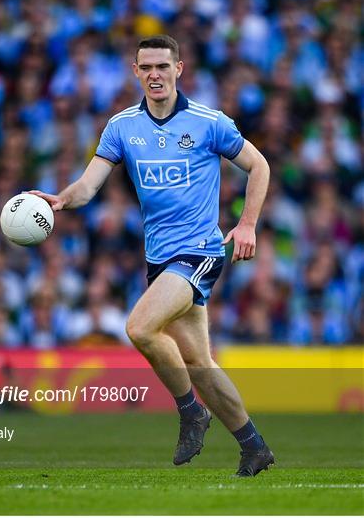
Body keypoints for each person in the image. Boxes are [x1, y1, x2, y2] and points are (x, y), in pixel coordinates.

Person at [29, 35, 273, 476]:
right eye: (147, 68)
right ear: (136, 72)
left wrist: (248, 223)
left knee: (140, 328)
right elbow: (88, 186)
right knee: (199, 363)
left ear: (180, 69)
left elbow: (259, 166)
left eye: (164, 66)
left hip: (199, 251)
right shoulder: (121, 126)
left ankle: (190, 413)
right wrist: (61, 201)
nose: (156, 74)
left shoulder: (209, 121)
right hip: (159, 258)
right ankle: (253, 445)